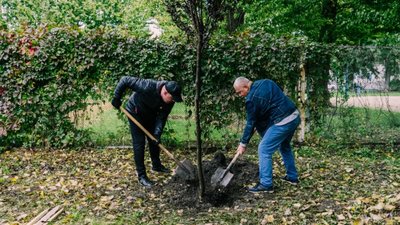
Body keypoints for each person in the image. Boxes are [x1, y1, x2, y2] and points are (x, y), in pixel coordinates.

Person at [111, 76, 183, 187]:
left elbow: (162, 117)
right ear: (165, 92)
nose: (173, 101)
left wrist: (157, 133)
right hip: (135, 113)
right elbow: (124, 80)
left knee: (154, 140)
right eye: (172, 98)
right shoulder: (147, 86)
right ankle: (142, 176)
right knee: (139, 143)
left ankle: (156, 165)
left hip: (151, 115)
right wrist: (117, 97)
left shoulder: (170, 101)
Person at [233, 77, 300, 193]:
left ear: (246, 87)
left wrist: (243, 143)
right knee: (284, 146)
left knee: (264, 149)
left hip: (283, 120)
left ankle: (266, 184)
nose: (240, 95)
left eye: (240, 92)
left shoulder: (251, 100)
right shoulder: (266, 82)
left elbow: (250, 123)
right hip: (294, 115)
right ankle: (292, 177)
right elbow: (271, 103)